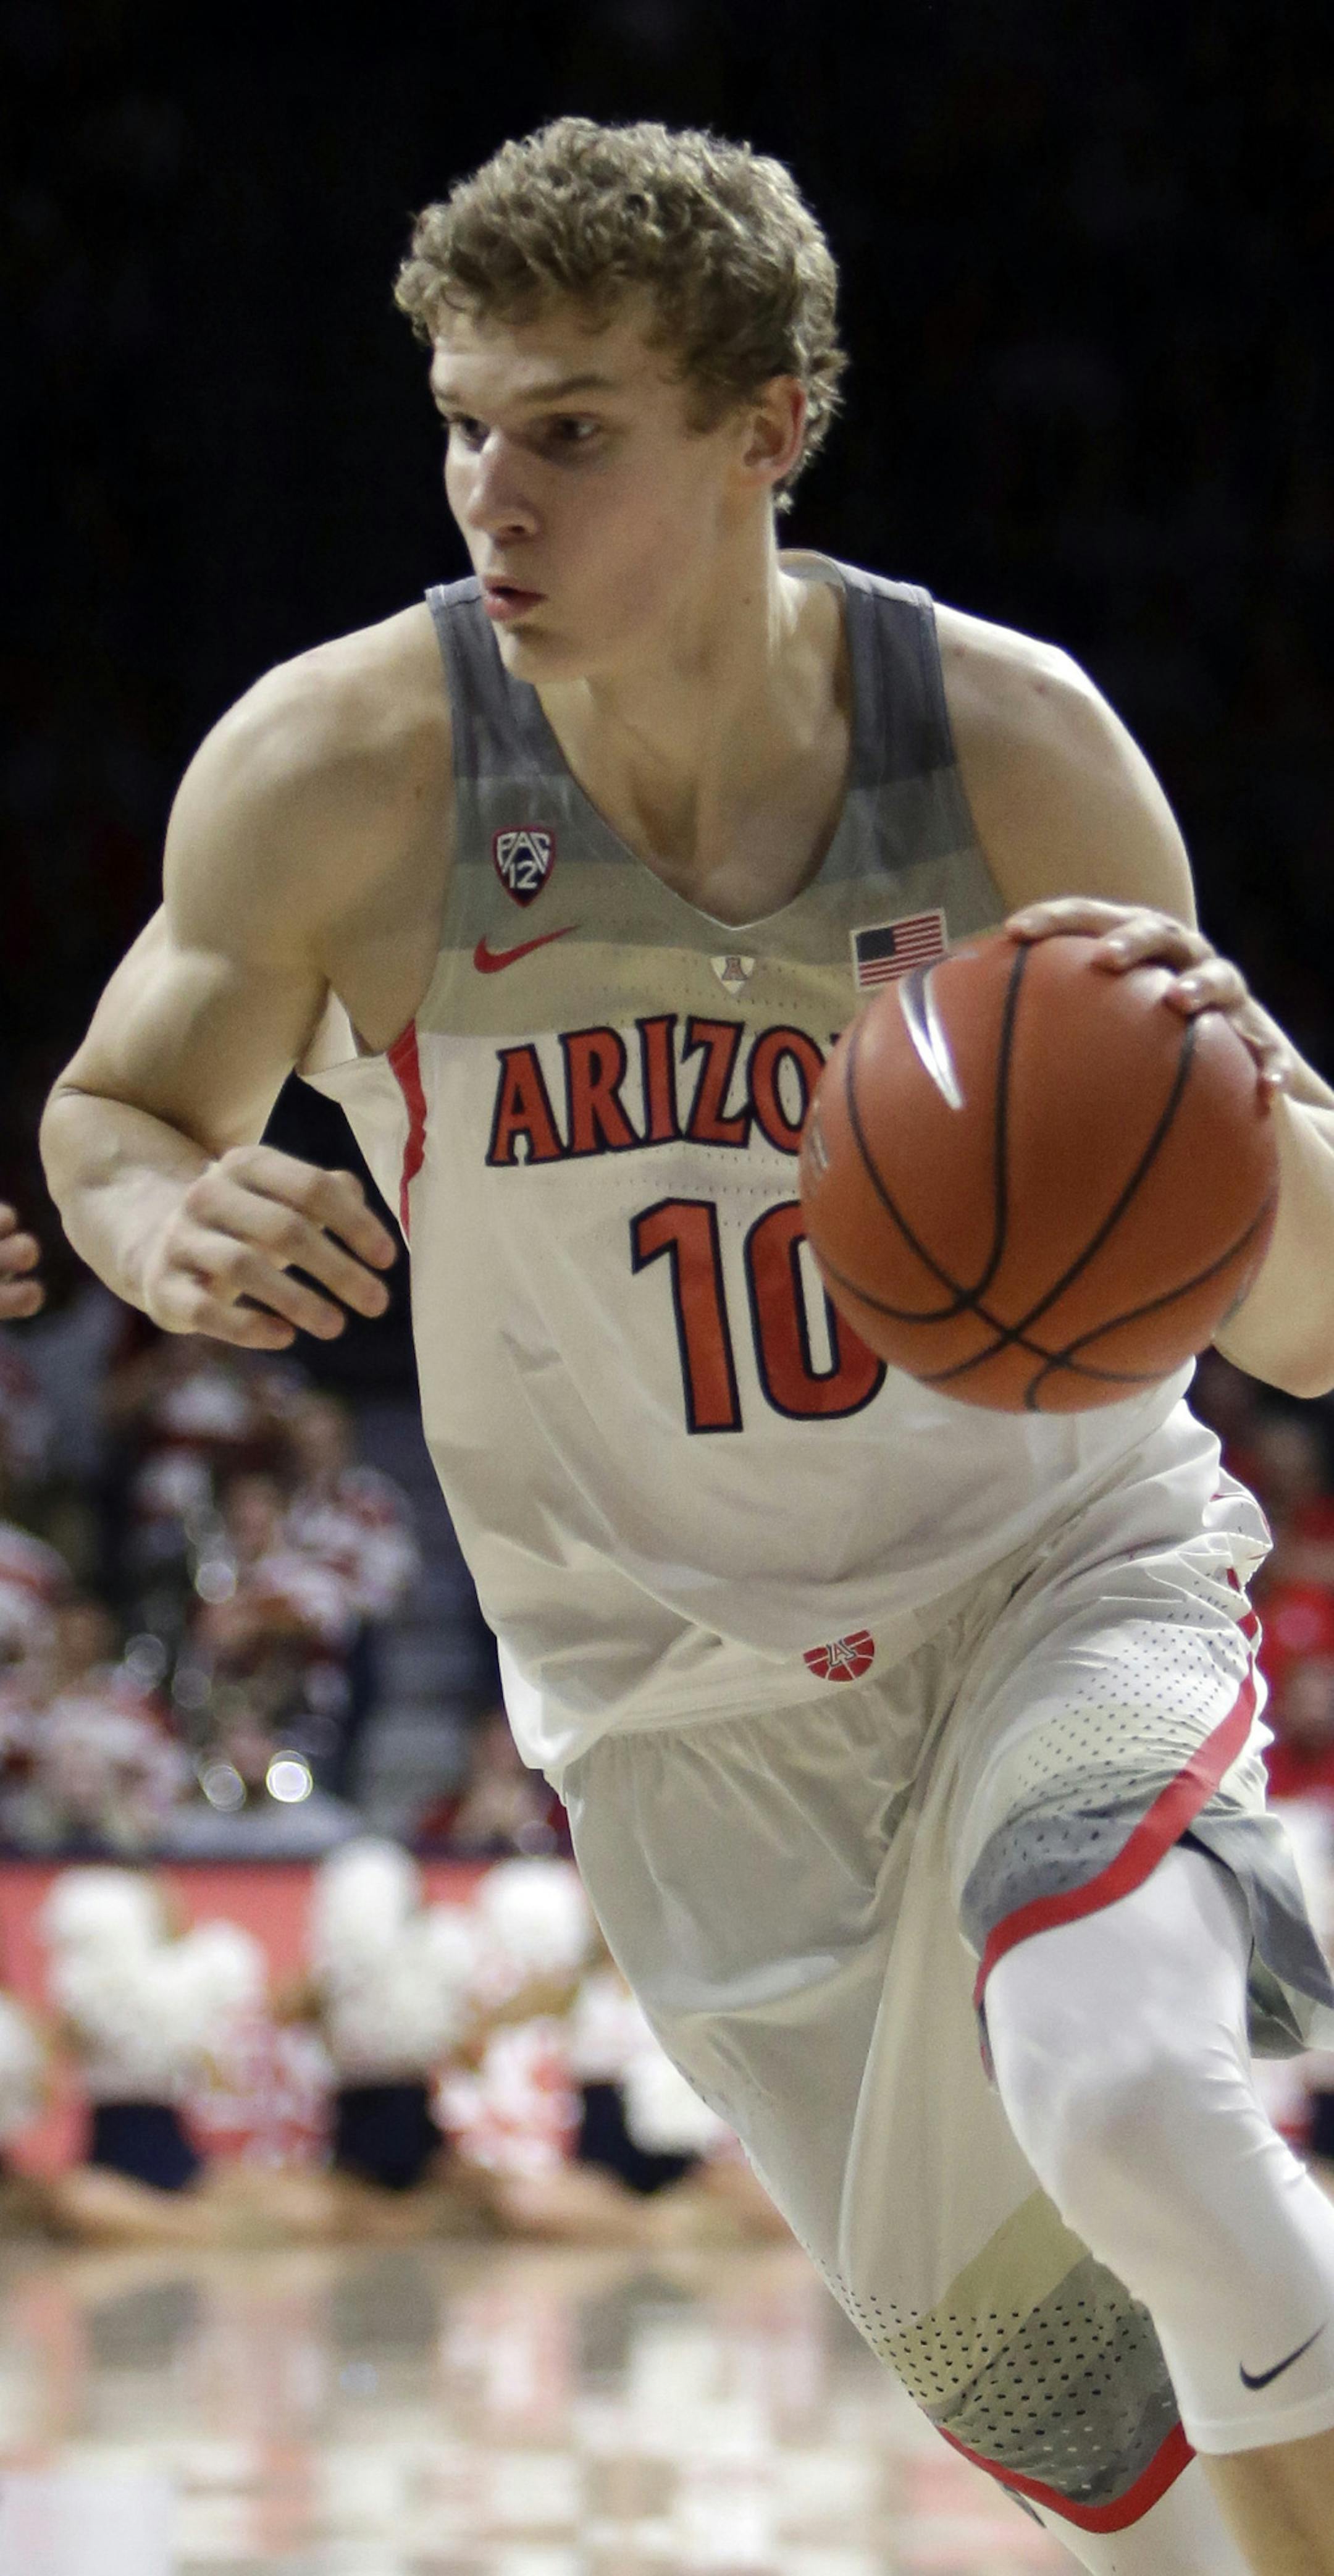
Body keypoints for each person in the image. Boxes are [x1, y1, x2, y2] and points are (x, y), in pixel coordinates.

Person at [35, 114, 1334, 2571]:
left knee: (1128, 2089)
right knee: (1078, 2431)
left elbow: (1307, 1304)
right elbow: (114, 1109)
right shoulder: (347, 768)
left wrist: (1247, 1105)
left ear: (770, 427)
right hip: (666, 1693)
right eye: (463, 419)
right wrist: (162, 1210)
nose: (487, 491)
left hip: (1050, 1576)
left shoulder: (1012, 747)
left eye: (571, 429)